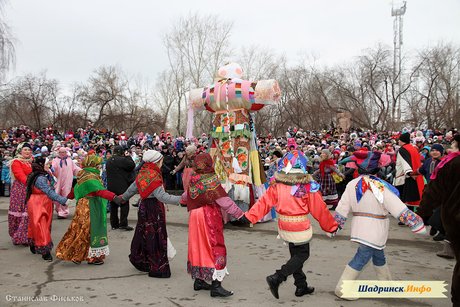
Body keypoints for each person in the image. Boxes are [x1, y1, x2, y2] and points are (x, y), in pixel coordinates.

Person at [240, 150, 339, 299]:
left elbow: (264, 203)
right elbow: (320, 210)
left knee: (295, 255)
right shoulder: (307, 187)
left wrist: (250, 216)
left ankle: (301, 286)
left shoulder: (277, 185)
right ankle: (278, 277)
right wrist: (331, 226)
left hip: (284, 225)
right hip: (299, 226)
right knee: (303, 254)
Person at [332, 151, 426, 300]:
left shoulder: (352, 184)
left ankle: (385, 284)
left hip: (362, 226)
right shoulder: (378, 185)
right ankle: (342, 288)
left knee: (378, 255)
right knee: (362, 256)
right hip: (374, 228)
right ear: (377, 168)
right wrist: (415, 222)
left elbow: (342, 207)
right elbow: (395, 205)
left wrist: (334, 226)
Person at [180, 153, 244, 297]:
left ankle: (199, 280)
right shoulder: (211, 180)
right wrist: (240, 214)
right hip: (208, 216)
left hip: (195, 216)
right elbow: (224, 201)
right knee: (215, 246)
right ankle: (216, 285)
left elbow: (185, 197)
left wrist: (180, 200)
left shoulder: (194, 178)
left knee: (198, 247)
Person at [121, 150, 181, 278]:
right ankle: (157, 267)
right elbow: (162, 196)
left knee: (142, 232)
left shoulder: (143, 172)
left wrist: (122, 198)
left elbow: (132, 188)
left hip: (143, 207)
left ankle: (141, 260)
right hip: (153, 208)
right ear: (157, 161)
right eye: (161, 160)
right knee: (155, 236)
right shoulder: (153, 175)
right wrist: (181, 199)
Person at [56, 155, 123, 265]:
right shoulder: (91, 177)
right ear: (93, 165)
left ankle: (77, 254)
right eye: (98, 164)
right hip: (91, 206)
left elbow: (75, 189)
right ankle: (93, 257)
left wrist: (68, 198)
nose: (99, 167)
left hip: (82, 206)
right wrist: (114, 197)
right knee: (92, 230)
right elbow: (98, 191)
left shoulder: (83, 174)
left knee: (81, 229)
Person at [417, 134, 460, 306]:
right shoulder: (449, 163)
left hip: (455, 219)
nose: (452, 147)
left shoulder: (450, 163)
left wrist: (422, 215)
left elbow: (433, 192)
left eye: (454, 144)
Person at [26, 157, 69, 261]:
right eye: (46, 164)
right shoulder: (40, 178)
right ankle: (45, 250)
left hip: (41, 202)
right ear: (40, 165)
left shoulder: (39, 174)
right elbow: (49, 191)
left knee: (36, 224)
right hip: (39, 203)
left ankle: (34, 244)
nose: (49, 166)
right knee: (41, 226)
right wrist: (63, 200)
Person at [8, 142, 33, 245]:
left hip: (30, 189)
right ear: (20, 151)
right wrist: (31, 183)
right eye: (25, 149)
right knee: (18, 212)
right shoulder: (16, 162)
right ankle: (17, 235)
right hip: (20, 190)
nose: (27, 151)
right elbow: (20, 175)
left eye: (29, 150)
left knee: (28, 212)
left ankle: (25, 235)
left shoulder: (30, 162)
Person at [106, 145, 136, 230]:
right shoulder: (122, 160)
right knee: (124, 204)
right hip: (122, 185)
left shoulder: (108, 161)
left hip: (111, 186)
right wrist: (128, 157)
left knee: (113, 205)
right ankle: (123, 224)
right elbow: (132, 165)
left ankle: (114, 224)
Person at [394, 132, 424, 209]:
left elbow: (405, 162)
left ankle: (405, 219)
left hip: (406, 177)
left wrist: (409, 172)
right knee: (410, 200)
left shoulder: (402, 149)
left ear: (401, 141)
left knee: (405, 201)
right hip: (415, 175)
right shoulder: (412, 148)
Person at [51, 147, 81, 219]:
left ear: (66, 152)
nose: (62, 154)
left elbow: (75, 169)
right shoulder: (55, 160)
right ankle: (59, 209)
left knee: (66, 194)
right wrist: (51, 169)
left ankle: (64, 212)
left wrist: (82, 172)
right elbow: (52, 169)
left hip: (67, 181)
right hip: (58, 180)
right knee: (57, 194)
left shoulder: (69, 160)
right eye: (60, 152)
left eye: (63, 152)